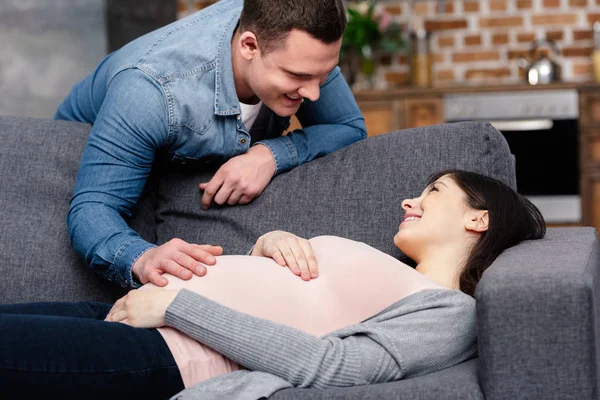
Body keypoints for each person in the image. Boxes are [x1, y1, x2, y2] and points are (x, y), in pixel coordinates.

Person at [0, 170, 546, 400]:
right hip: (144, 313)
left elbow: (332, 365)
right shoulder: (393, 270)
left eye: (434, 191)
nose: (410, 200)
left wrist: (178, 305)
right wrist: (271, 241)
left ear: (478, 219)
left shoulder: (452, 313)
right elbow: (308, 299)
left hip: (168, 348)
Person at [55, 0, 366, 289]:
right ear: (249, 46)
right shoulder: (149, 93)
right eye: (298, 76)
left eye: (323, 75)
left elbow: (348, 127)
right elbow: (94, 208)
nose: (314, 94)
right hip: (74, 150)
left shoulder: (298, 48)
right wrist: (140, 257)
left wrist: (269, 154)